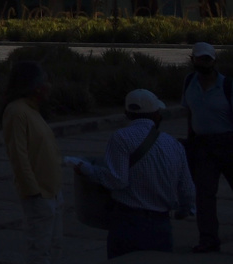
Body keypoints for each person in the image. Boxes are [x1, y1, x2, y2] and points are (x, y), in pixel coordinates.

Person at [69, 89, 195, 258]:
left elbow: (117, 180)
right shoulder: (173, 144)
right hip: (160, 225)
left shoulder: (120, 138)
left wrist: (86, 169)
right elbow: (187, 189)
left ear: (127, 113)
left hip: (127, 222)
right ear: (156, 114)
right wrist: (182, 211)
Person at [4, 60, 64, 263]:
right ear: (35, 86)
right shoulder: (17, 111)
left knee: (53, 245)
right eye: (46, 81)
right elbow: (19, 157)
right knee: (39, 249)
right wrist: (33, 191)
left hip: (52, 192)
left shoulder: (32, 110)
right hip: (39, 195)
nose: (49, 87)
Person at [183, 41, 233, 252]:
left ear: (214, 61)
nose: (203, 63)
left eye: (207, 59)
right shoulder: (189, 82)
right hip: (202, 145)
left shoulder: (227, 85)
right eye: (199, 59)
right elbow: (189, 112)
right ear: (192, 60)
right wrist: (191, 142)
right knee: (204, 195)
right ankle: (208, 239)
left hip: (228, 143)